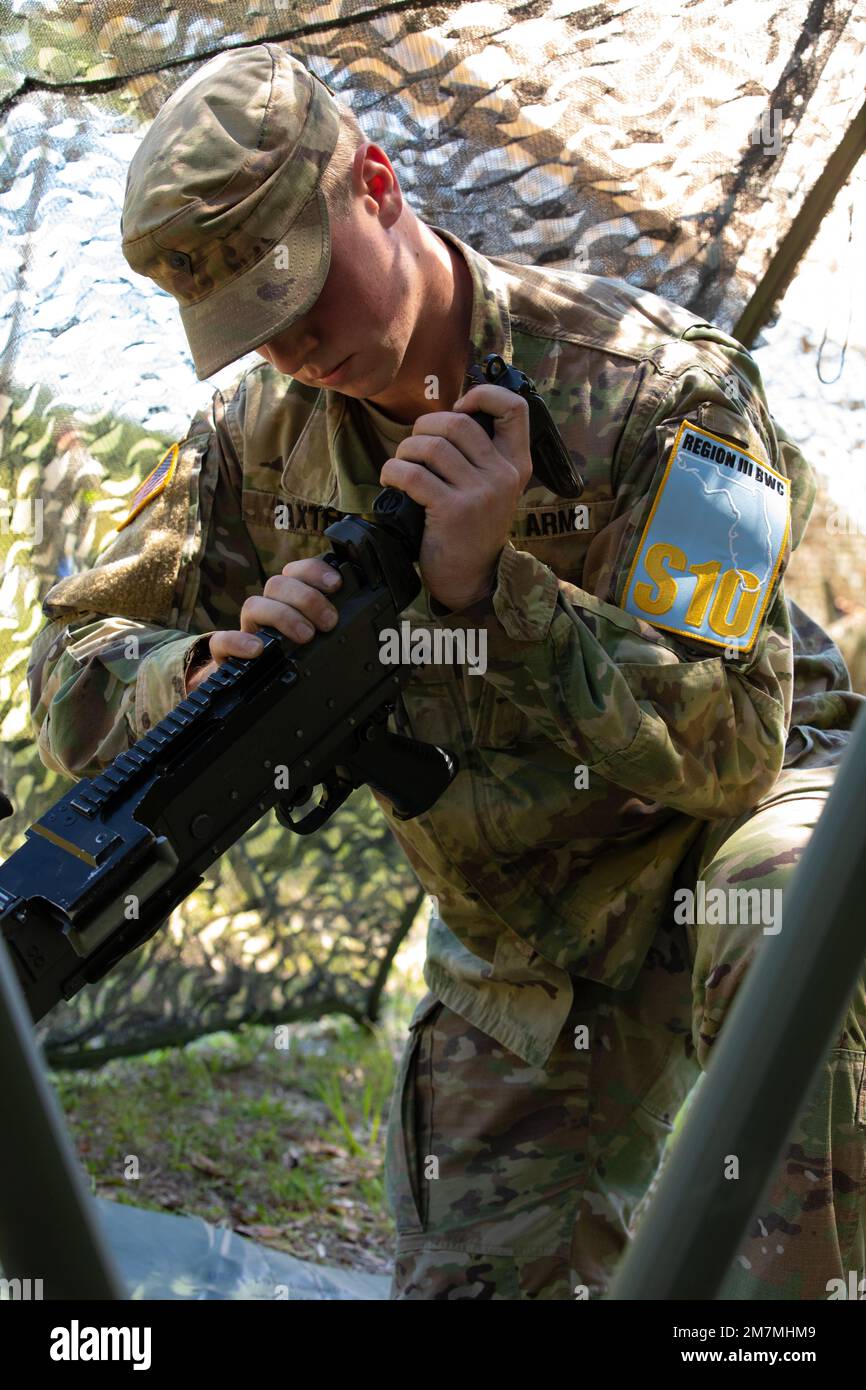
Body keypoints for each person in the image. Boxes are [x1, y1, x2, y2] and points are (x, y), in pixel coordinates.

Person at [26, 43, 865, 1300]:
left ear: (373, 182)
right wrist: (197, 669)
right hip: (522, 927)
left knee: (790, 905)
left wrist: (499, 596)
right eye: (248, 322)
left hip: (723, 833)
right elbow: (67, 664)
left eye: (295, 282)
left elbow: (738, 737)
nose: (296, 341)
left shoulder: (657, 389)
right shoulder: (253, 440)